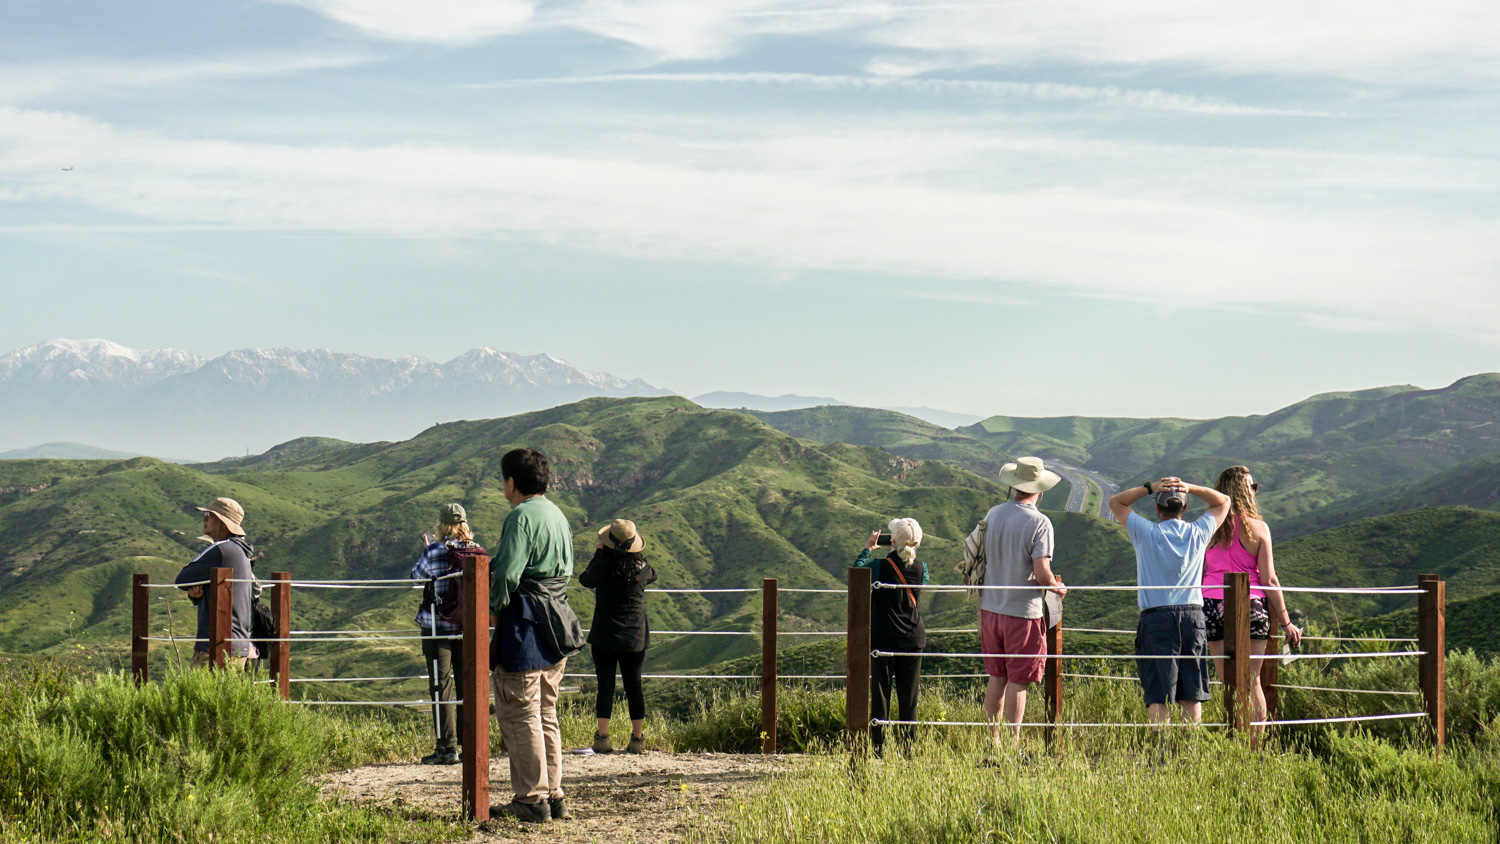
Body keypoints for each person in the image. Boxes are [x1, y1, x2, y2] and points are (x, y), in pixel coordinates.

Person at [489, 448, 585, 824]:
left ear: (512, 481)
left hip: (524, 623)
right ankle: (553, 794)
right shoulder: (557, 514)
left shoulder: (520, 517)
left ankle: (530, 798)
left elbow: (508, 575)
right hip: (556, 621)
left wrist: (493, 608)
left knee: (519, 712)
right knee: (546, 712)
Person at [1108, 477, 1230, 725]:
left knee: (1158, 694)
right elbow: (1224, 502)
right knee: (1192, 691)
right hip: (1193, 615)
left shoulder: (1146, 532)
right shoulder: (1199, 532)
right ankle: (1188, 752)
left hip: (1157, 617)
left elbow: (1116, 502)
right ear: (1184, 508)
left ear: (1157, 508)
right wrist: (1191, 487)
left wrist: (1149, 488)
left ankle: (1161, 752)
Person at [1203, 466, 1303, 732]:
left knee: (1230, 681)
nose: (1255, 491)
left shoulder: (1208, 526)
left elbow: (1199, 572)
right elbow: (1269, 579)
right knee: (1253, 681)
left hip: (1212, 605)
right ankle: (1254, 746)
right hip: (1254, 606)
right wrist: (1286, 622)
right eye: (1252, 486)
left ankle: (1235, 737)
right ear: (1245, 492)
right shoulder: (1259, 528)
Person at [981, 457, 1066, 749]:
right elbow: (1042, 573)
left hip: (991, 607)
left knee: (997, 676)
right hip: (1022, 612)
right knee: (1019, 679)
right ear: (1039, 489)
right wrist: (1058, 587)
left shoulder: (994, 514)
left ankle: (992, 742)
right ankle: (1013, 742)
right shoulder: (1039, 522)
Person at [410, 503, 485, 766]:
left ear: (441, 525)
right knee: (468, 685)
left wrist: (427, 549)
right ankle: (471, 745)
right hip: (468, 627)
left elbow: (416, 577)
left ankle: (446, 748)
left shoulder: (435, 550)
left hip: (437, 626)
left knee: (441, 686)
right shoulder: (475, 550)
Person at [579, 518, 658, 755]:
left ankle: (603, 739)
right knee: (634, 686)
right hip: (634, 636)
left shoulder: (602, 568)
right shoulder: (643, 570)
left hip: (604, 633)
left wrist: (599, 554)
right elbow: (653, 574)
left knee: (606, 686)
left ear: (607, 543)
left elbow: (585, 580)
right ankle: (637, 740)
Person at [853, 518, 928, 755]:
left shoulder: (878, 566)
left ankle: (879, 745)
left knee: (881, 692)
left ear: (892, 540)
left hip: (884, 638)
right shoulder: (922, 568)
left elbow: (856, 573)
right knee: (909, 696)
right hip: (913, 637)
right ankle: (908, 747)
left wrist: (868, 548)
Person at [175, 497, 257, 668]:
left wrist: (194, 588)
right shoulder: (241, 551)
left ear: (223, 523)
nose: (205, 518)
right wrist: (198, 592)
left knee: (199, 694)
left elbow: (182, 579)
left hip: (215, 644)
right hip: (237, 644)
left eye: (210, 515)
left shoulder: (221, 549)